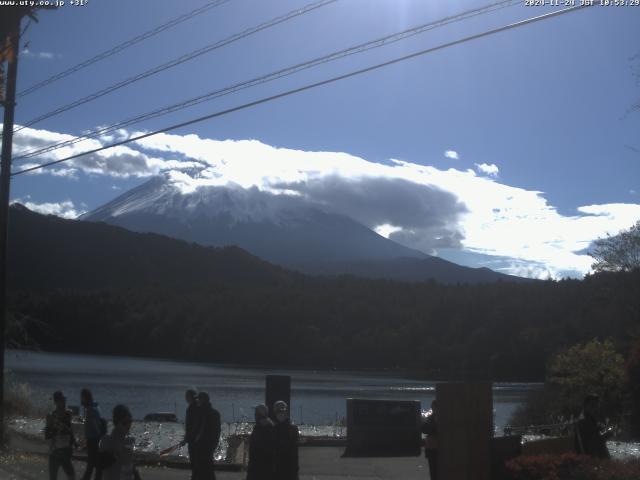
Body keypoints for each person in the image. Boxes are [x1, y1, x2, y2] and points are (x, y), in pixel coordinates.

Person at [99, 404, 141, 480]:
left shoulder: (129, 440)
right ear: (116, 422)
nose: (128, 425)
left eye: (130, 422)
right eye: (124, 423)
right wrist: (117, 451)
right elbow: (101, 464)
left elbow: (130, 464)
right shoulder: (106, 440)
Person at [45, 390, 77, 480]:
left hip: (65, 450)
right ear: (56, 402)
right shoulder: (50, 416)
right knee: (54, 476)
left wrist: (74, 443)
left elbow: (71, 431)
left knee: (71, 475)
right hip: (55, 450)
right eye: (61, 400)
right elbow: (47, 435)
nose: (64, 401)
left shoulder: (68, 414)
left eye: (64, 399)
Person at [191, 391, 221, 480]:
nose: (197, 401)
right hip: (207, 445)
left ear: (203, 400)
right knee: (207, 469)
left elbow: (197, 429)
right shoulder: (214, 413)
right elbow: (217, 431)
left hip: (202, 445)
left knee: (201, 469)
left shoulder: (201, 413)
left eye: (199, 399)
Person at [575, 393, 613, 459]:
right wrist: (606, 435)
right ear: (585, 406)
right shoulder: (585, 421)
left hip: (594, 457)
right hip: (592, 459)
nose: (595, 409)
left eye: (596, 406)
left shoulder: (589, 419)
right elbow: (593, 444)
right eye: (592, 406)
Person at [81, 388, 106, 480]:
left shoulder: (91, 409)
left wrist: (96, 438)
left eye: (82, 398)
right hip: (95, 439)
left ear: (84, 398)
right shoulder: (95, 406)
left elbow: (95, 425)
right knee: (94, 465)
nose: (81, 400)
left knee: (92, 465)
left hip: (94, 440)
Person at [246, 404, 275, 480]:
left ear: (259, 415)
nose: (254, 415)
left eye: (256, 413)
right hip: (266, 467)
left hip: (258, 467)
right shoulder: (270, 426)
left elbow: (257, 449)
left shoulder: (260, 428)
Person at [272, 400, 299, 480]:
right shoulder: (292, 428)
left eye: (281, 411)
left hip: (284, 467)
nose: (280, 413)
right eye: (279, 411)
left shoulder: (272, 428)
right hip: (284, 467)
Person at [179, 389, 199, 479]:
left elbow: (191, 426)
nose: (185, 398)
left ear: (190, 397)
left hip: (193, 439)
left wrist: (186, 438)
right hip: (197, 438)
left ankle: (195, 476)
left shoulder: (191, 408)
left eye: (186, 396)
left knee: (194, 460)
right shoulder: (198, 407)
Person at [421, 400, 438, 480]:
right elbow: (425, 430)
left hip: (434, 446)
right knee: (433, 469)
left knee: (436, 469)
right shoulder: (429, 418)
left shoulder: (430, 418)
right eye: (434, 407)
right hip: (432, 446)